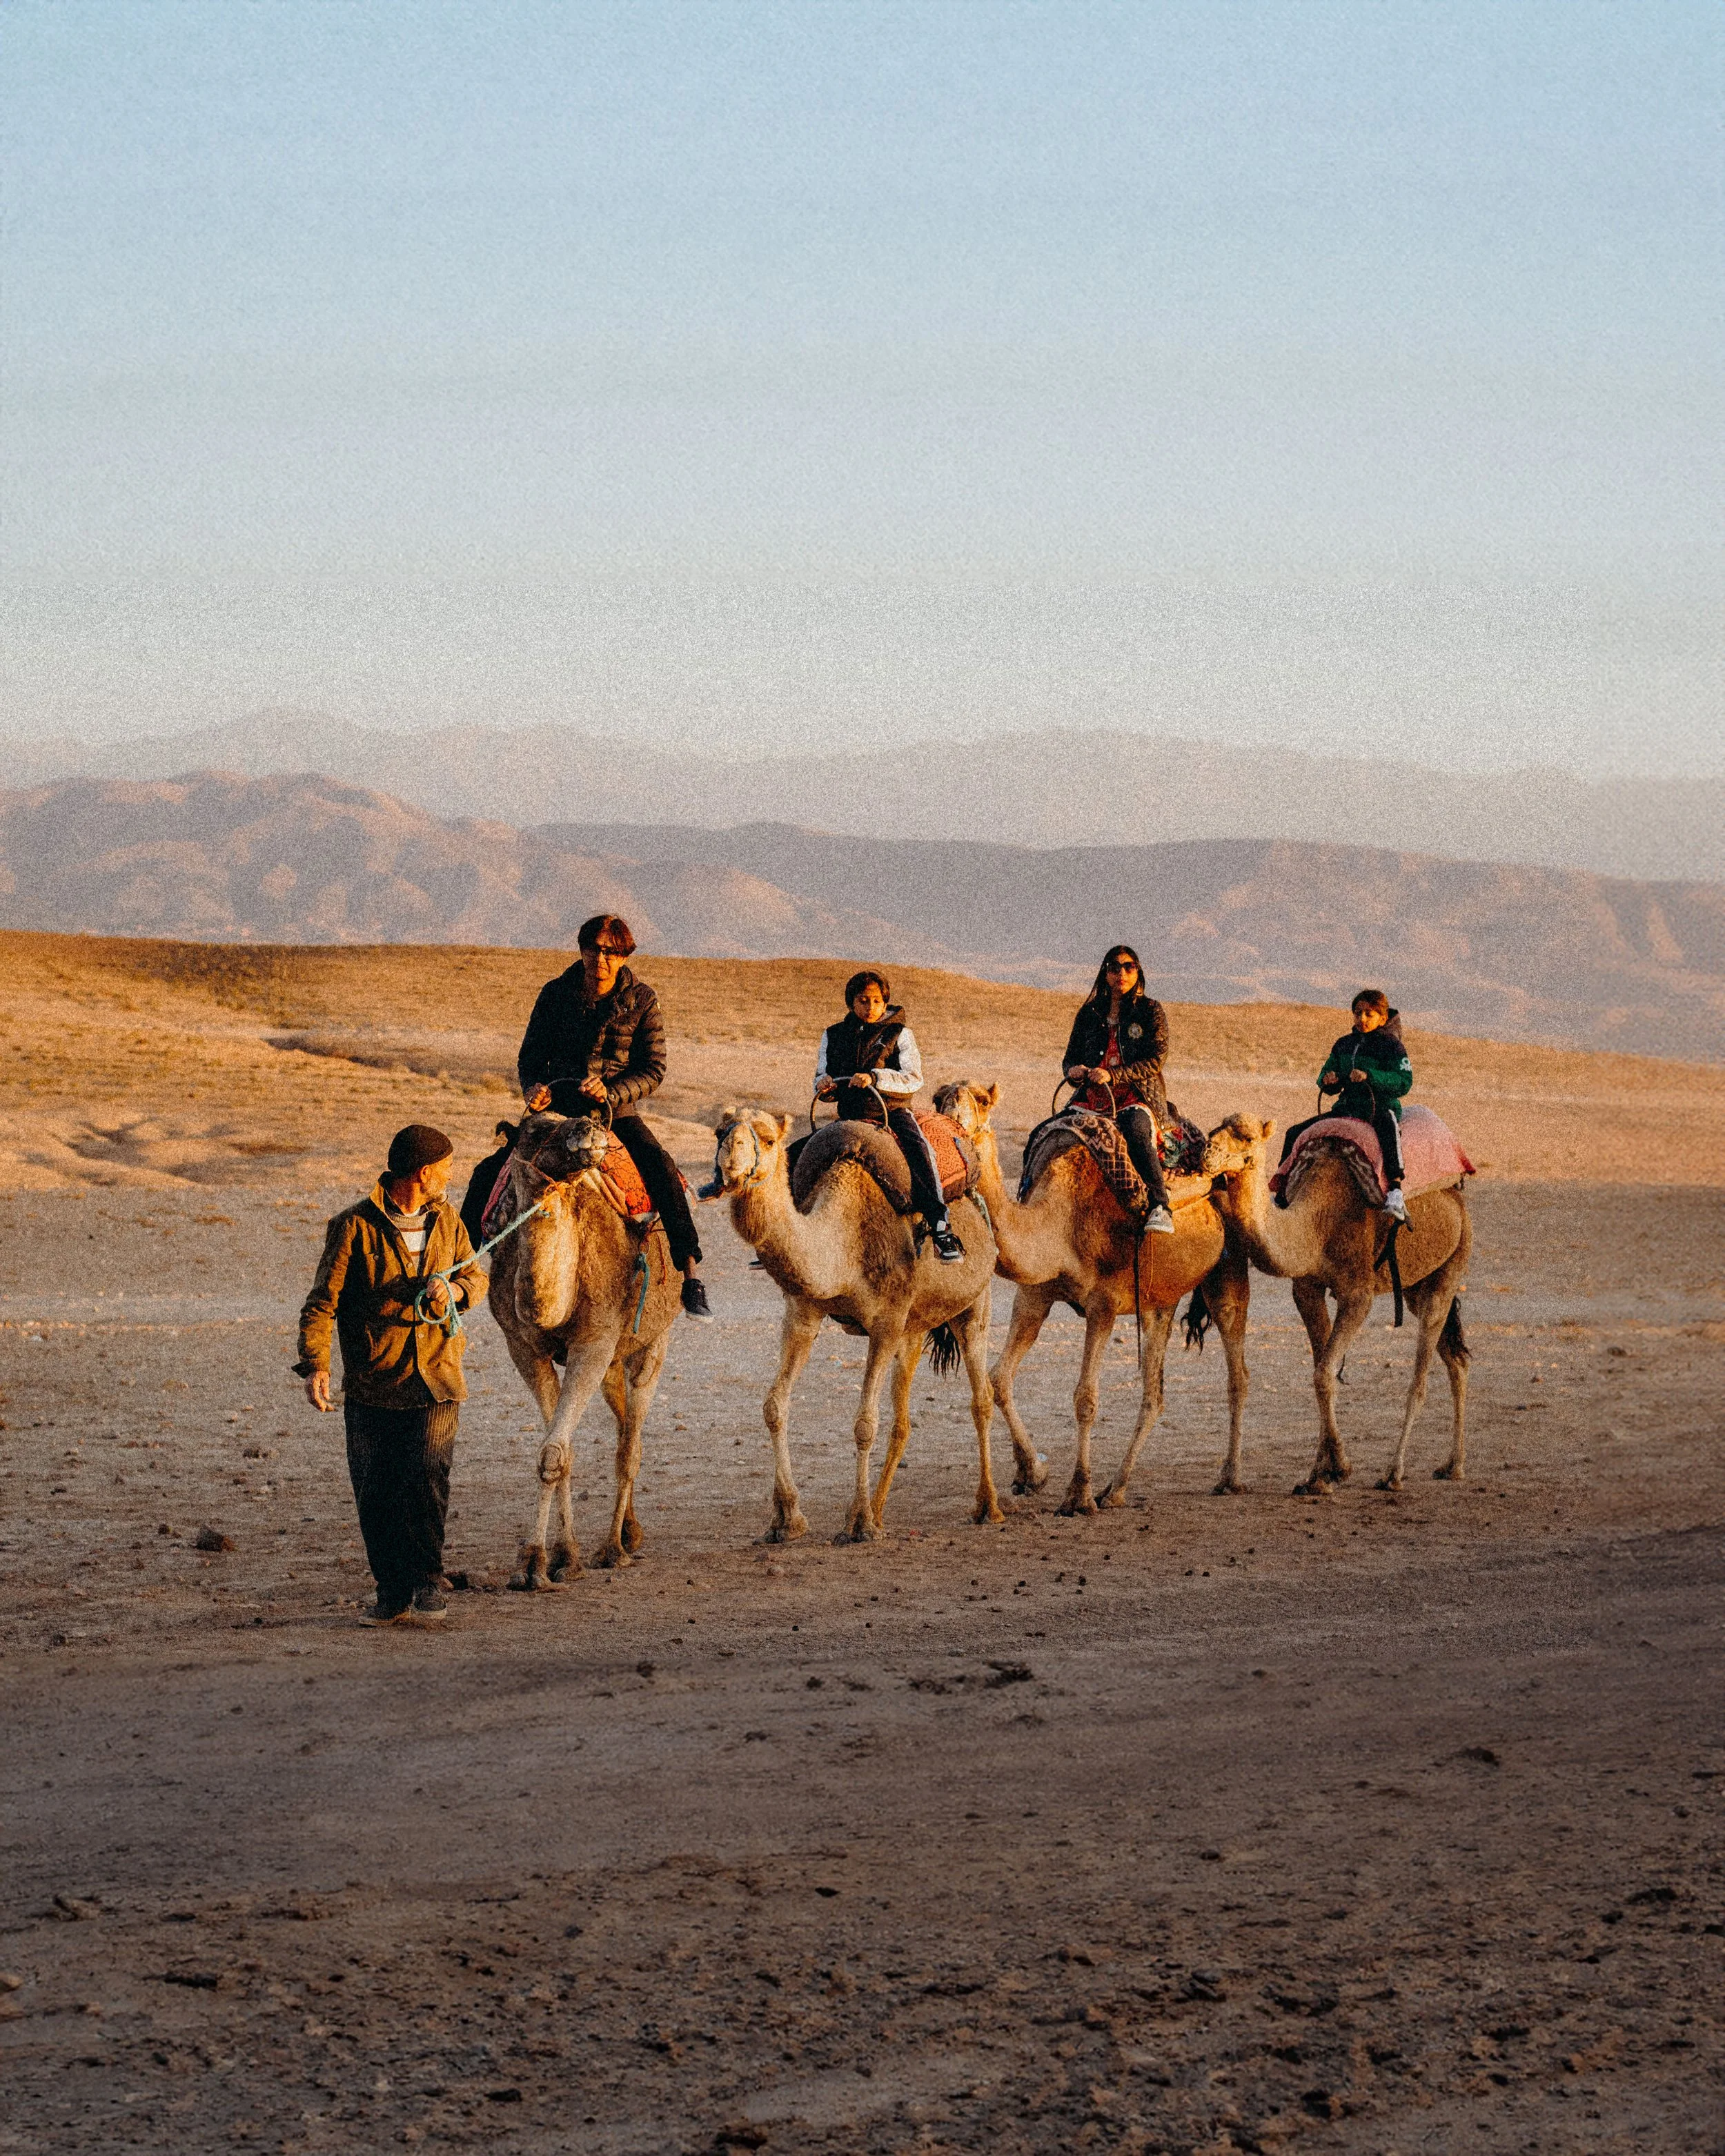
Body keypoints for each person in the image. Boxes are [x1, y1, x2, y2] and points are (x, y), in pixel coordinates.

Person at [295, 1124, 485, 1628]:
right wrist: (316, 1364)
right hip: (373, 1384)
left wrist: (456, 1294)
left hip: (438, 1379)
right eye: (446, 1167)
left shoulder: (449, 1221)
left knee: (428, 1477)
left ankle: (427, 1580)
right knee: (375, 1490)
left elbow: (474, 1274)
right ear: (423, 1174)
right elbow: (322, 1304)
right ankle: (391, 1591)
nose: (451, 1175)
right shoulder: (352, 1226)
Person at [516, 913, 712, 1321]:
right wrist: (534, 1088)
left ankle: (690, 1273)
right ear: (582, 950)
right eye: (594, 949)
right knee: (494, 1171)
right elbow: (531, 1056)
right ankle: (460, 1270)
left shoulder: (643, 1000)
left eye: (611, 952)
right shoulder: (554, 994)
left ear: (623, 956)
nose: (601, 959)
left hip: (614, 1113)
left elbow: (653, 1068)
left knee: (660, 1167)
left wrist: (612, 1090)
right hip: (558, 1111)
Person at [814, 969, 965, 1262]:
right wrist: (824, 1084)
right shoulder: (833, 1035)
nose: (870, 1008)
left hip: (891, 1112)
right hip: (849, 1116)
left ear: (885, 1003)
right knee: (801, 1153)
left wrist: (874, 1077)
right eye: (863, 1000)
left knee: (919, 1151)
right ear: (851, 1002)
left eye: (876, 1001)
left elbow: (914, 1077)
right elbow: (823, 1072)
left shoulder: (900, 1034)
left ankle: (940, 1226)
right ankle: (782, 1237)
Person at [1062, 945, 1176, 1233]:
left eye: (1129, 967)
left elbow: (1155, 1060)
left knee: (1136, 1131)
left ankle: (1160, 1205)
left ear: (1138, 972)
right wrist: (1073, 1072)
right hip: (1091, 1096)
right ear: (1105, 972)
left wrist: (1113, 1075)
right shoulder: (1089, 1013)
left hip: (1135, 1094)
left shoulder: (1151, 1011)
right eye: (1114, 967)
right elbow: (1069, 1058)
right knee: (1045, 1134)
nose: (1121, 973)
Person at [1279, 988, 1412, 1223]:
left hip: (1378, 1108)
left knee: (1389, 1130)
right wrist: (1329, 1080)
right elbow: (1326, 1074)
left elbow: (1403, 1082)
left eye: (1369, 1014)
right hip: (1347, 1108)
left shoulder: (1392, 1047)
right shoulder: (1343, 1045)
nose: (1362, 1019)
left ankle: (1395, 1191)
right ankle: (1282, 1193)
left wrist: (1370, 1076)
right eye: (1358, 1013)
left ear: (1382, 1018)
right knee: (1294, 1133)